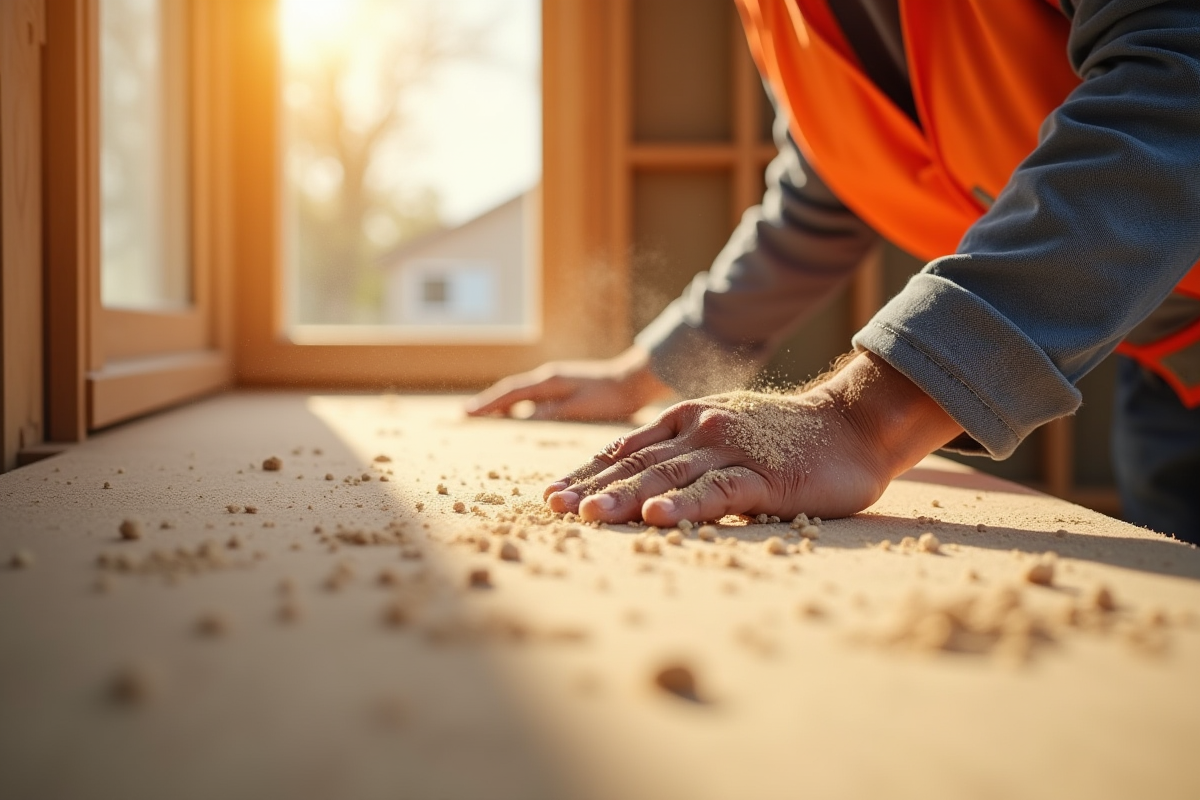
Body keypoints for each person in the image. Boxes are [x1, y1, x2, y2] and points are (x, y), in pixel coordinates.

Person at [467, 0, 1200, 543]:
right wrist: (648, 372)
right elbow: (828, 185)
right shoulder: (782, 15)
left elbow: (1180, 76)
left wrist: (866, 416)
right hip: (1168, 366)